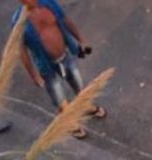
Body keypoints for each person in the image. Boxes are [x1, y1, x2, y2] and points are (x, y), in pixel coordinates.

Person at [12, 0, 105, 140]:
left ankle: (85, 106)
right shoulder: (19, 21)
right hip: (46, 65)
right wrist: (34, 75)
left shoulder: (48, 3)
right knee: (59, 98)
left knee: (79, 84)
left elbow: (66, 21)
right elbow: (22, 50)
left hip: (65, 55)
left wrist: (81, 40)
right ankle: (70, 123)